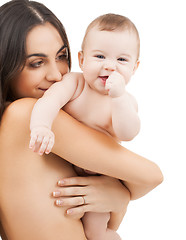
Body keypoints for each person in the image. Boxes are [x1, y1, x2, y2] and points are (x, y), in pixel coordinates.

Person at [0, 1, 163, 240]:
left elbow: (110, 219)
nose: (57, 75)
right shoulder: (26, 115)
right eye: (36, 63)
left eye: (61, 56)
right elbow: (152, 175)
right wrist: (120, 194)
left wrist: (115, 198)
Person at [29, 13, 141, 240]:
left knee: (94, 232)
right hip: (62, 166)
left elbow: (128, 134)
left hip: (99, 179)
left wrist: (118, 98)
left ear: (135, 68)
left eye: (122, 60)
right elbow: (49, 102)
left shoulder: (125, 102)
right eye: (99, 56)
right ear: (81, 60)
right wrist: (41, 127)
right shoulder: (74, 83)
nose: (110, 66)